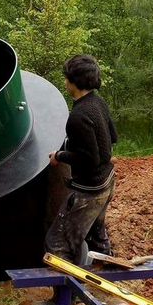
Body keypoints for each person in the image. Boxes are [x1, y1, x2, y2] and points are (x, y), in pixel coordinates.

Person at [46, 55, 118, 266]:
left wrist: (59, 156)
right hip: (107, 181)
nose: (65, 82)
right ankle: (107, 273)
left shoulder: (78, 116)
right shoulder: (98, 102)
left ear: (74, 82)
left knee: (58, 244)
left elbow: (89, 160)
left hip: (90, 190)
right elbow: (112, 138)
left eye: (67, 78)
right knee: (96, 233)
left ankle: (64, 296)